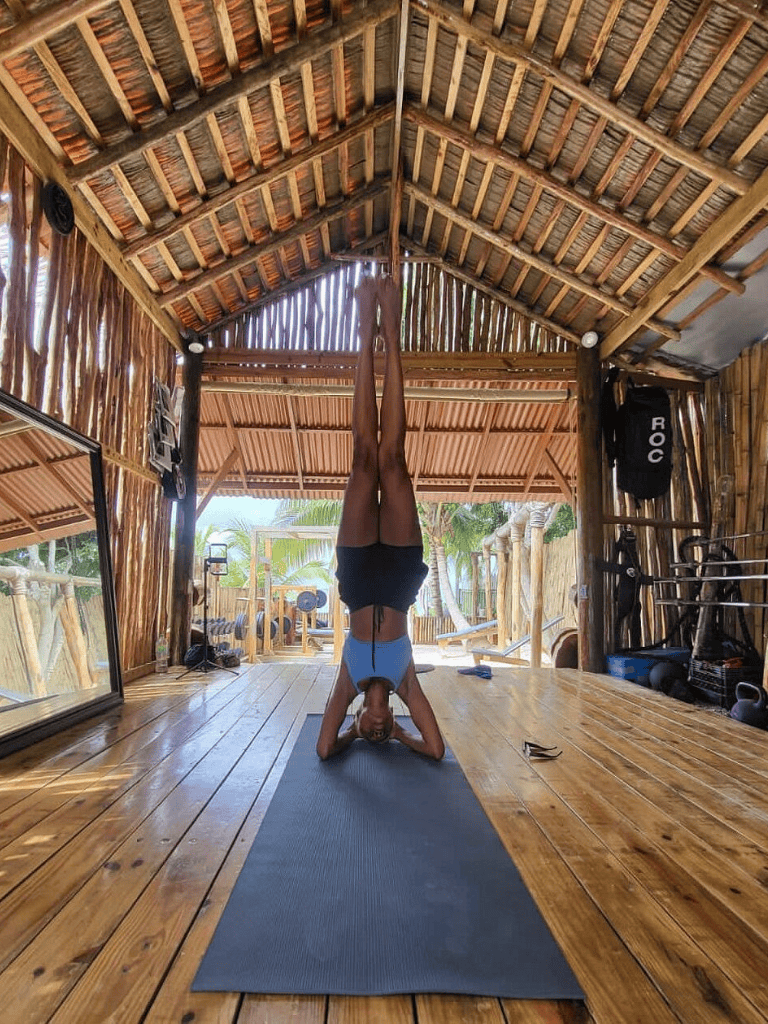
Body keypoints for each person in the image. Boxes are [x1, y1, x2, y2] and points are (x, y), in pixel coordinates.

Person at [316, 275, 445, 761]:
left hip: (356, 576)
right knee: (392, 461)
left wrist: (350, 734)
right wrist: (404, 738)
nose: (372, 729)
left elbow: (325, 748)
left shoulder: (347, 683)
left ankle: (363, 326)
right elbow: (436, 749)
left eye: (366, 731)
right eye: (379, 733)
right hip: (395, 581)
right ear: (390, 719)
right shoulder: (405, 681)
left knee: (361, 461)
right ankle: (390, 323)